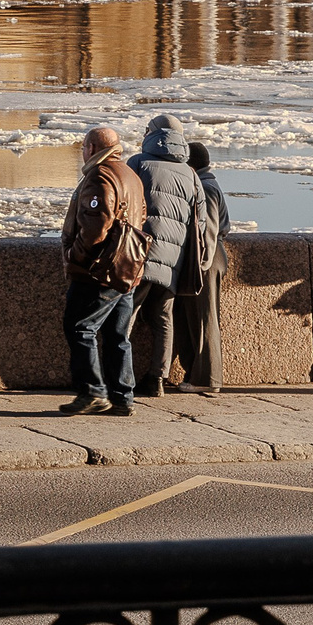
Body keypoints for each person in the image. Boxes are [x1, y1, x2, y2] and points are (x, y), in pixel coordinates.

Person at [60, 125, 148, 416]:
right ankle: (123, 396)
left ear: (92, 148)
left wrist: (76, 255)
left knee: (80, 327)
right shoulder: (129, 174)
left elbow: (96, 226)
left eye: (84, 147)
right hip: (128, 267)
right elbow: (143, 215)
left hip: (100, 271)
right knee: (117, 335)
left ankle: (93, 392)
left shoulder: (100, 175)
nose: (81, 153)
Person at [127, 114, 206, 402]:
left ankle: (120, 378)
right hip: (174, 260)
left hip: (139, 255)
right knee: (163, 318)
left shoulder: (138, 163)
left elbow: (124, 205)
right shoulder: (191, 174)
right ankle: (156, 379)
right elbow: (200, 223)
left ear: (152, 134)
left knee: (126, 316)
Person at [177, 142, 232, 395]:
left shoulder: (206, 187)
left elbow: (208, 231)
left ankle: (207, 379)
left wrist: (202, 264)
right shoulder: (208, 183)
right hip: (206, 257)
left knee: (205, 319)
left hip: (206, 259)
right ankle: (196, 374)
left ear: (191, 165)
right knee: (197, 318)